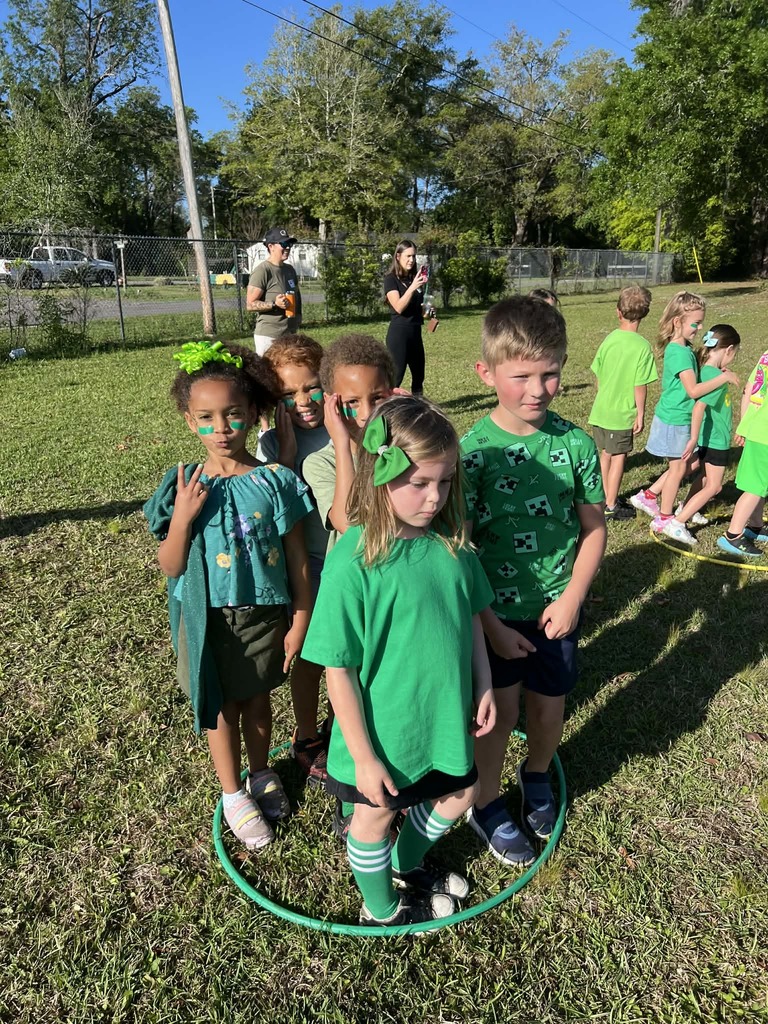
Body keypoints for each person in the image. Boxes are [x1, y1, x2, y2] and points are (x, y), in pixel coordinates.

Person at [302, 395, 497, 925]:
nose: (434, 498)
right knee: (374, 815)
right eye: (418, 483)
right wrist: (363, 757)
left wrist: (482, 681)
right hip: (384, 730)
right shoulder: (354, 559)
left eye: (445, 481)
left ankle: (407, 863)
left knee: (460, 792)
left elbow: (472, 618)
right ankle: (381, 907)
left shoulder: (454, 547)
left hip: (441, 721)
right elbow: (336, 667)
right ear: (379, 475)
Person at [143, 340, 313, 851]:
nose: (220, 429)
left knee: (259, 701)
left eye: (233, 415)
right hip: (206, 619)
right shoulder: (182, 486)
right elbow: (170, 565)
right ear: (188, 420)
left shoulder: (276, 481)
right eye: (206, 418)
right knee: (221, 707)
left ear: (254, 413)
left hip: (263, 615)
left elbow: (297, 557)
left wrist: (301, 615)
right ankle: (234, 793)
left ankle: (261, 773)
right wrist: (182, 520)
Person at [461, 296, 606, 866]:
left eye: (551, 373)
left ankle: (538, 773)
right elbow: (459, 549)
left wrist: (573, 597)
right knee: (498, 716)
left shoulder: (576, 445)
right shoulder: (471, 455)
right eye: (521, 375)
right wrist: (490, 625)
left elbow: (594, 529)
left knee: (547, 711)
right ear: (486, 373)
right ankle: (488, 802)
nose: (538, 389)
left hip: (557, 610)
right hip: (493, 616)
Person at [258, 334, 331, 784]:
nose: (303, 401)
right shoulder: (271, 445)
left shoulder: (348, 423)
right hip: (306, 568)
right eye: (288, 394)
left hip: (351, 562)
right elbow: (275, 508)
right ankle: (307, 736)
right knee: (307, 658)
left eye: (311, 387)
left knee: (351, 658)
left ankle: (344, 727)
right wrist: (284, 455)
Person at [630, 291, 739, 545]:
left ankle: (651, 498)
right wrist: (723, 378)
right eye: (695, 323)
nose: (699, 328)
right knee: (678, 468)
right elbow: (693, 391)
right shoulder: (678, 352)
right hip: (674, 419)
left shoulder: (684, 349)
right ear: (677, 321)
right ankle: (666, 518)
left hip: (679, 417)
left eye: (701, 323)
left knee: (683, 467)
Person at [303, 334, 397, 553]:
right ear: (331, 403)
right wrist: (341, 442)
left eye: (377, 398)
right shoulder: (320, 463)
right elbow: (346, 522)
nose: (366, 414)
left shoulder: (403, 448)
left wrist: (412, 423)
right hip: (356, 578)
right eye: (352, 402)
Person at [588, 285, 658, 521]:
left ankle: (600, 497)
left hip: (601, 410)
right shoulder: (642, 347)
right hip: (621, 413)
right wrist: (640, 414)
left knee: (605, 453)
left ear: (618, 311)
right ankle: (610, 504)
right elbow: (640, 385)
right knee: (619, 457)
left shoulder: (609, 339)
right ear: (645, 314)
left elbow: (597, 375)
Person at [671, 325, 740, 541]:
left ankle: (687, 508)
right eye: (735, 353)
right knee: (714, 486)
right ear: (728, 350)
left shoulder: (710, 371)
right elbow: (699, 406)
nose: (733, 358)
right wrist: (693, 438)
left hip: (709, 437)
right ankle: (678, 522)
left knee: (703, 478)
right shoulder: (717, 379)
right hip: (716, 439)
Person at [718, 348, 768, 558]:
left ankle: (755, 526)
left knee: (760, 483)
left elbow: (750, 390)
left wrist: (743, 424)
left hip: (756, 427)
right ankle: (733, 535)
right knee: (755, 488)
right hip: (765, 435)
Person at [246, 227, 302, 356]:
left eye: (289, 244)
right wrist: (274, 304)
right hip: (269, 336)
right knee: (268, 374)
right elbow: (250, 304)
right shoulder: (263, 270)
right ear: (271, 246)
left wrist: (298, 316)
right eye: (283, 244)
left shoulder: (289, 270)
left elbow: (297, 295)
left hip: (290, 334)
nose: (287, 247)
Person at [383, 241, 430, 394]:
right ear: (398, 256)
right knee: (396, 378)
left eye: (414, 256)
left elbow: (418, 310)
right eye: (408, 256)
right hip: (399, 335)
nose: (412, 260)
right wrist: (412, 287)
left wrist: (428, 311)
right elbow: (398, 307)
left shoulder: (413, 279)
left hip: (415, 333)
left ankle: (418, 409)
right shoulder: (391, 279)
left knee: (418, 376)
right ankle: (388, 410)